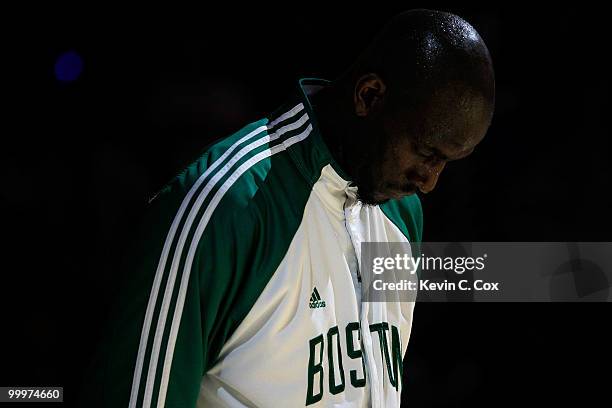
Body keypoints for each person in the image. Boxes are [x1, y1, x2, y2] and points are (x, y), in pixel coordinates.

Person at [79, 9, 494, 408]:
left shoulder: (403, 214)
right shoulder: (224, 207)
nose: (429, 181)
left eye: (446, 163)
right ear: (369, 96)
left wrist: (549, 274)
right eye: (426, 152)